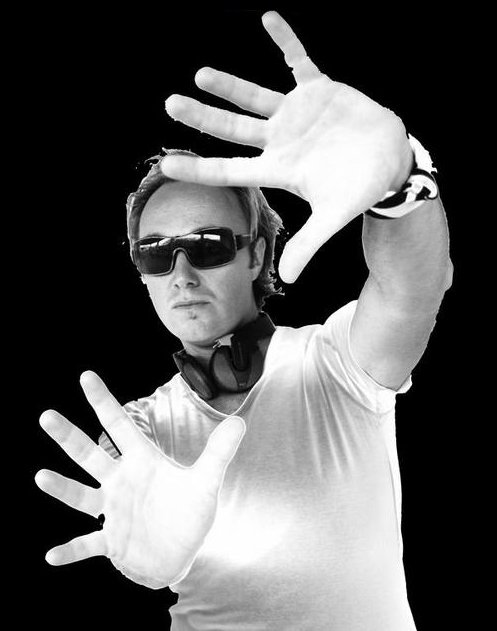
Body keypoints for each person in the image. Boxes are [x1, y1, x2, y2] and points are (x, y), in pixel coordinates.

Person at [35, 11, 453, 631]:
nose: (181, 274)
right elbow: (128, 523)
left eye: (205, 245)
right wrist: (143, 565)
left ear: (256, 253)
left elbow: (410, 290)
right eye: (155, 254)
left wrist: (398, 183)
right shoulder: (137, 430)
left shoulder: (335, 362)